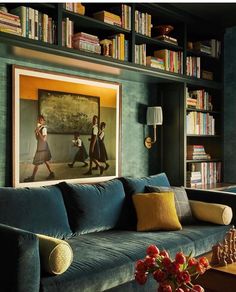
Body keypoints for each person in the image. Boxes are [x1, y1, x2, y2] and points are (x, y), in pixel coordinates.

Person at [24, 115, 55, 182]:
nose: (39, 121)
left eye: (41, 120)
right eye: (38, 120)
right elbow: (37, 139)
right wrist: (36, 133)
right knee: (46, 160)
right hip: (40, 146)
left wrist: (38, 132)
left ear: (43, 121)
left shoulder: (44, 129)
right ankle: (51, 173)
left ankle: (32, 177)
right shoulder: (39, 128)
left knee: (37, 162)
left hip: (43, 147)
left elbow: (44, 139)